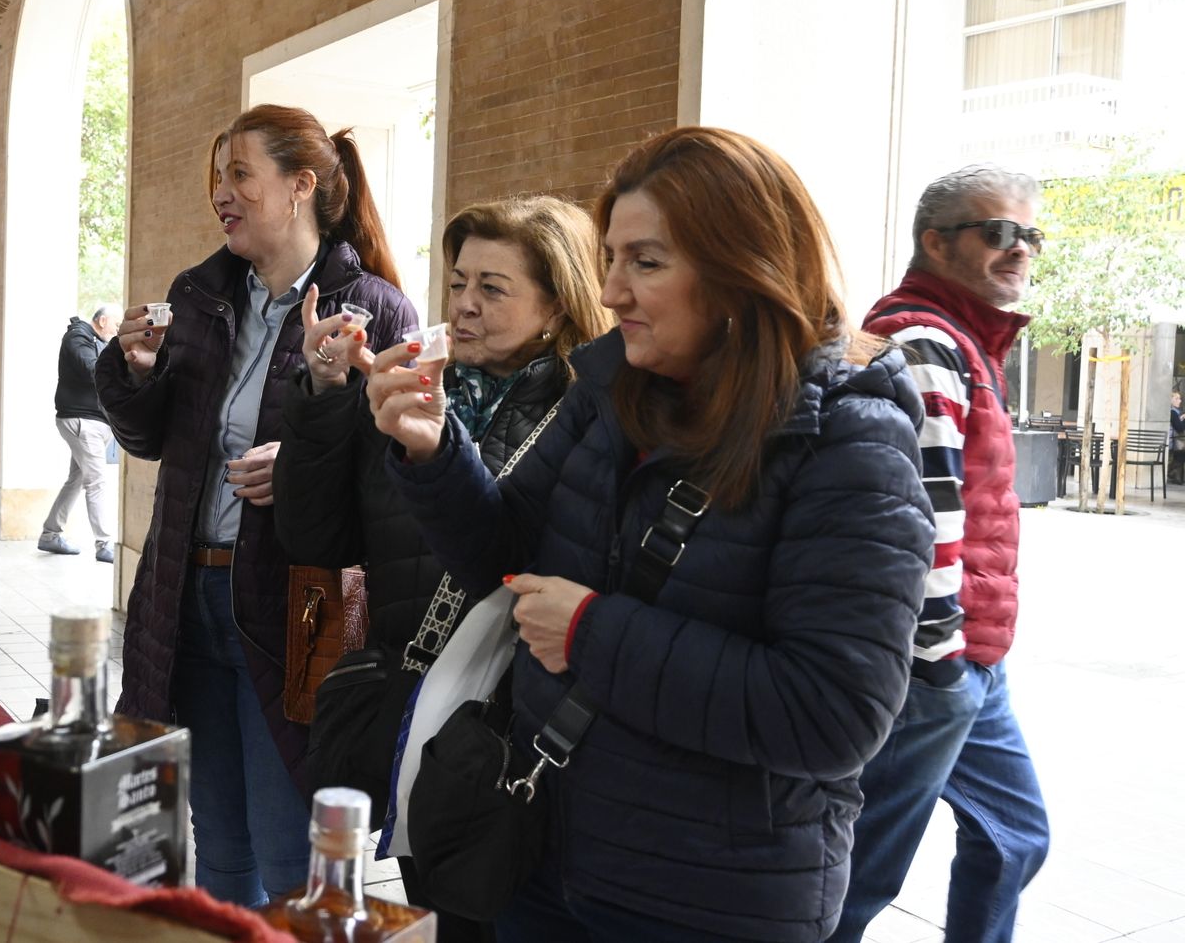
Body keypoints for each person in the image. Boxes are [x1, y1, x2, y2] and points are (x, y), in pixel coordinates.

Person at [370, 126, 934, 941]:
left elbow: (834, 715)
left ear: (745, 269)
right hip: (545, 851)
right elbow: (502, 551)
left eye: (646, 262)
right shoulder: (612, 395)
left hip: (708, 897)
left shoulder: (849, 440)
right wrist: (431, 451)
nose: (611, 292)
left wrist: (593, 633)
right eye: (611, 259)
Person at [95, 104, 418, 907]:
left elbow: (394, 481)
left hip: (300, 606)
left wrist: (305, 460)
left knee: (288, 847)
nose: (221, 194)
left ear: (300, 186)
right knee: (218, 840)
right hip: (188, 594)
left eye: (240, 174)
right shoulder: (201, 297)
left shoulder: (370, 306)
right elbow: (151, 439)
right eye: (219, 176)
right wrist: (133, 374)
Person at [274, 195, 613, 941]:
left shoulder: (587, 416)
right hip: (413, 715)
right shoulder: (412, 390)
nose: (462, 306)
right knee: (435, 909)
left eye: (493, 289)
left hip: (513, 737)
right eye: (458, 282)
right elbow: (314, 538)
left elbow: (530, 554)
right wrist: (327, 397)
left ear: (558, 304)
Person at [830, 166, 1052, 942]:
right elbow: (921, 513)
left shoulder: (965, 339)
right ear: (935, 241)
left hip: (970, 661)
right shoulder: (924, 342)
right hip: (931, 665)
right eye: (997, 232)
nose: (1019, 249)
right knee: (857, 876)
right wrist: (940, 660)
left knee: (1016, 836)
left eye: (1029, 235)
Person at [39, 305, 121, 562]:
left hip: (88, 422)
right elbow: (93, 369)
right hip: (83, 423)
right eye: (116, 326)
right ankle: (105, 544)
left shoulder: (94, 339)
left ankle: (50, 535)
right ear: (103, 320)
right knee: (96, 482)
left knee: (76, 479)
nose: (117, 331)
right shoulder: (78, 336)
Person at [1169, 390, 1184, 485]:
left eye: (1180, 398)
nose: (1180, 401)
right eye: (1176, 398)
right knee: (1182, 453)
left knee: (1181, 454)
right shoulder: (1173, 412)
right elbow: (1180, 428)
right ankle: (1170, 471)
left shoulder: (1176, 412)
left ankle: (1176, 475)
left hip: (1175, 441)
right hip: (1172, 441)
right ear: (1170, 400)